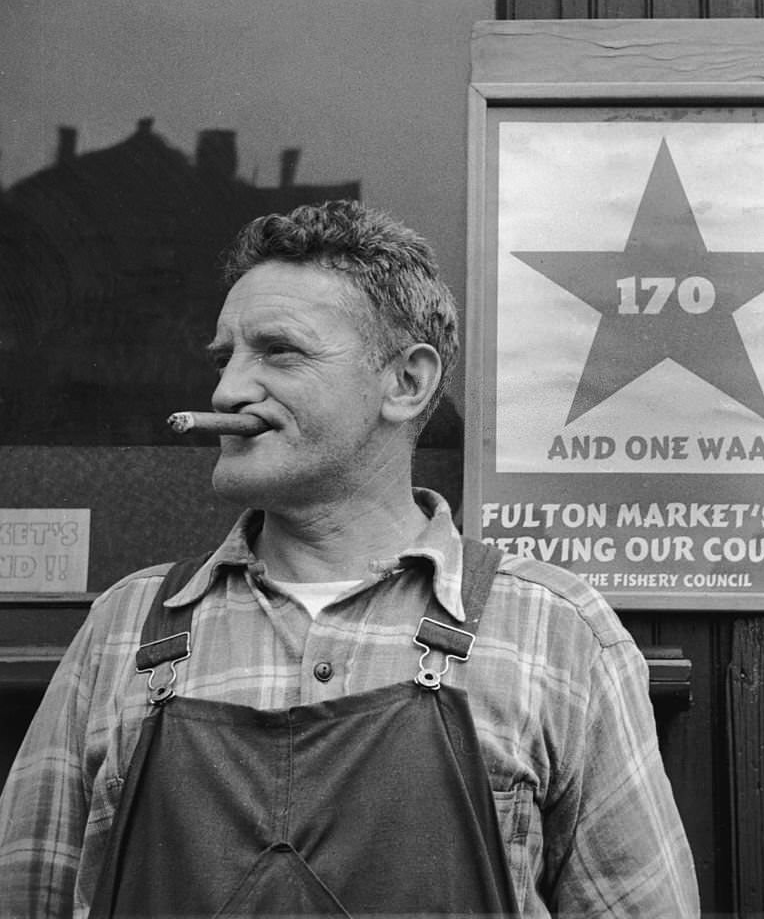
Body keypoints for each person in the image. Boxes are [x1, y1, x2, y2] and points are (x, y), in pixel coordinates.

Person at [0, 199, 700, 917]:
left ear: (406, 383)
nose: (226, 389)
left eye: (280, 351)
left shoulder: (554, 630)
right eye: (225, 357)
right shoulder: (126, 625)